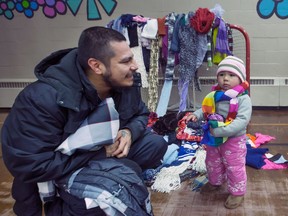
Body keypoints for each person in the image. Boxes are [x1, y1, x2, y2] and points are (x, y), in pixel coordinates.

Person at [1, 26, 168, 215]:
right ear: (96, 66)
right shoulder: (41, 99)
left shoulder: (122, 82)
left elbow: (140, 114)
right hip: (53, 174)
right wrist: (100, 154)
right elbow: (32, 165)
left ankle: (113, 176)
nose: (135, 65)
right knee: (117, 184)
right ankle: (66, 204)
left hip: (97, 154)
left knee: (154, 145)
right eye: (126, 61)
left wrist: (128, 132)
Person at [185, 56, 252, 209]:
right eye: (221, 75)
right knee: (212, 162)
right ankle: (215, 182)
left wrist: (220, 131)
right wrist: (197, 114)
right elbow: (205, 109)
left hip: (233, 140)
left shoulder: (243, 99)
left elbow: (242, 121)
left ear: (240, 78)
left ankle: (237, 192)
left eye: (231, 75)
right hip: (214, 139)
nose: (225, 79)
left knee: (234, 166)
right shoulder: (214, 95)